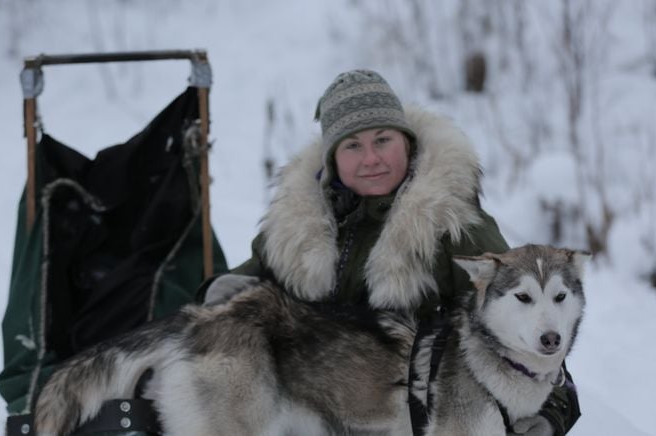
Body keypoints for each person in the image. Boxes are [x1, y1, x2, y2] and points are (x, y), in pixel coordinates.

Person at [200, 69, 580, 435]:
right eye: (352, 145)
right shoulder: (293, 229)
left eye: (383, 140)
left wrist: (551, 410)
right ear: (332, 159)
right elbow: (239, 291)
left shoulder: (454, 226)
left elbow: (523, 324)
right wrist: (219, 297)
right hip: (301, 412)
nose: (371, 159)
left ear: (407, 142)